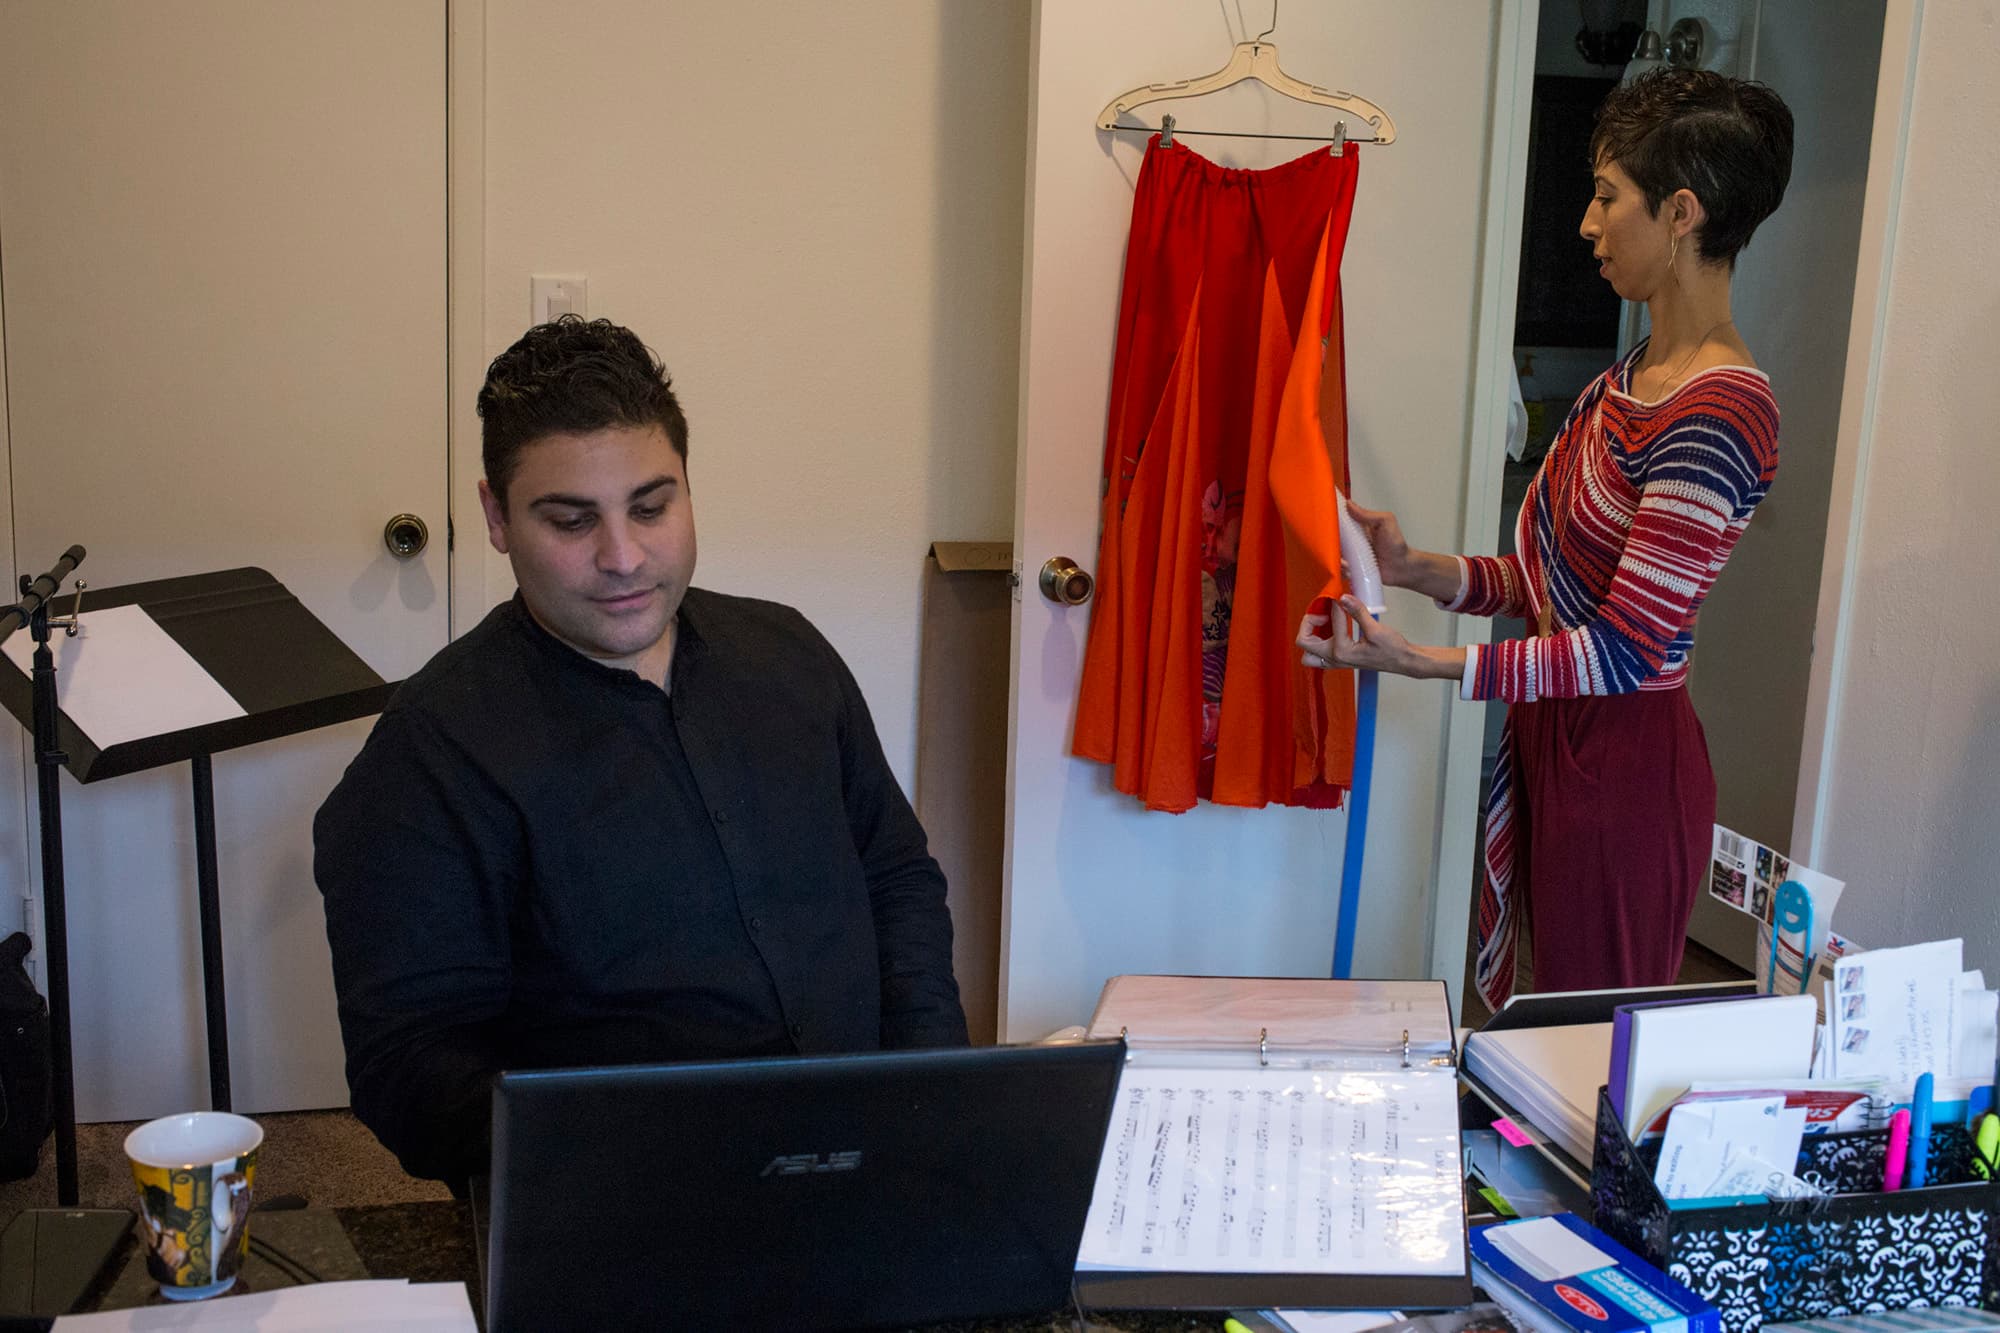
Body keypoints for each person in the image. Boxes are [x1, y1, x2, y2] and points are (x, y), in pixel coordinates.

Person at [314, 316, 968, 1186]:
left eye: (652, 507)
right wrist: (640, 1152)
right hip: (618, 1195)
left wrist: (932, 1092)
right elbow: (410, 1065)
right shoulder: (430, 754)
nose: (623, 557)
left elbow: (895, 875)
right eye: (570, 519)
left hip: (868, 1150)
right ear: (495, 517)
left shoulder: (789, 654)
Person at [1298, 69, 1794, 1007]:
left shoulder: (1721, 412)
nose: (1587, 224)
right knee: (1547, 1026)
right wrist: (1415, 569)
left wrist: (1423, 662)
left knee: (1590, 1049)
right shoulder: (1632, 376)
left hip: (1625, 769)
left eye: (1609, 197)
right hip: (1560, 741)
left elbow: (1622, 649)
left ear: (1681, 212)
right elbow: (1542, 581)